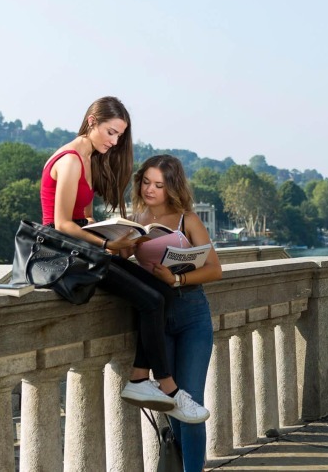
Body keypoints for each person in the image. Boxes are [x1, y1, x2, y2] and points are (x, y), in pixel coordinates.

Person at [40, 96, 208, 424]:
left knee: (166, 291)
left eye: (119, 136)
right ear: (92, 121)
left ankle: (138, 378)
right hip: (64, 254)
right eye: (110, 132)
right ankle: (168, 388)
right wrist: (106, 241)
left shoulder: (88, 160)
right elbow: (60, 224)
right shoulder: (71, 160)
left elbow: (83, 219)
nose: (114, 141)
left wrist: (122, 239)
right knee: (149, 300)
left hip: (84, 249)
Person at [129, 154, 222, 471]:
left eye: (159, 184)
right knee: (172, 401)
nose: (150, 190)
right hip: (156, 320)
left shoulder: (188, 220)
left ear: (172, 187)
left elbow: (214, 269)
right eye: (146, 182)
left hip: (192, 312)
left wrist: (177, 277)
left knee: (190, 401)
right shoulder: (134, 222)